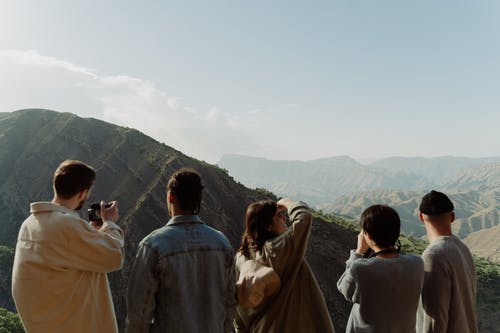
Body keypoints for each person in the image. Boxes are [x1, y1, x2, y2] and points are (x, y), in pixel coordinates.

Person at [11, 159, 124, 333]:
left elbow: (64, 258)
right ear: (82, 193)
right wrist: (109, 224)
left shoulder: (29, 223)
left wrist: (94, 232)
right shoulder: (66, 226)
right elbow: (114, 256)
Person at [126, 168, 235, 333]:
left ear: (171, 197)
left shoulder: (152, 246)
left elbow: (139, 315)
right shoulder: (222, 244)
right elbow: (229, 305)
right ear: (198, 199)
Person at [233, 198, 335, 333]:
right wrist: (287, 203)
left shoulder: (241, 257)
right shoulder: (279, 249)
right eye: (280, 216)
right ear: (268, 227)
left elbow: (236, 303)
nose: (284, 219)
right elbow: (304, 218)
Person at [337, 204, 424, 333]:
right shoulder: (417, 264)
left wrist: (359, 251)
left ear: (368, 236)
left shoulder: (361, 268)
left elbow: (344, 289)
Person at [416, 190, 478, 333]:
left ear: (421, 217)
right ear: (452, 217)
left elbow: (433, 320)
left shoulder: (432, 257)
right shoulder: (463, 249)